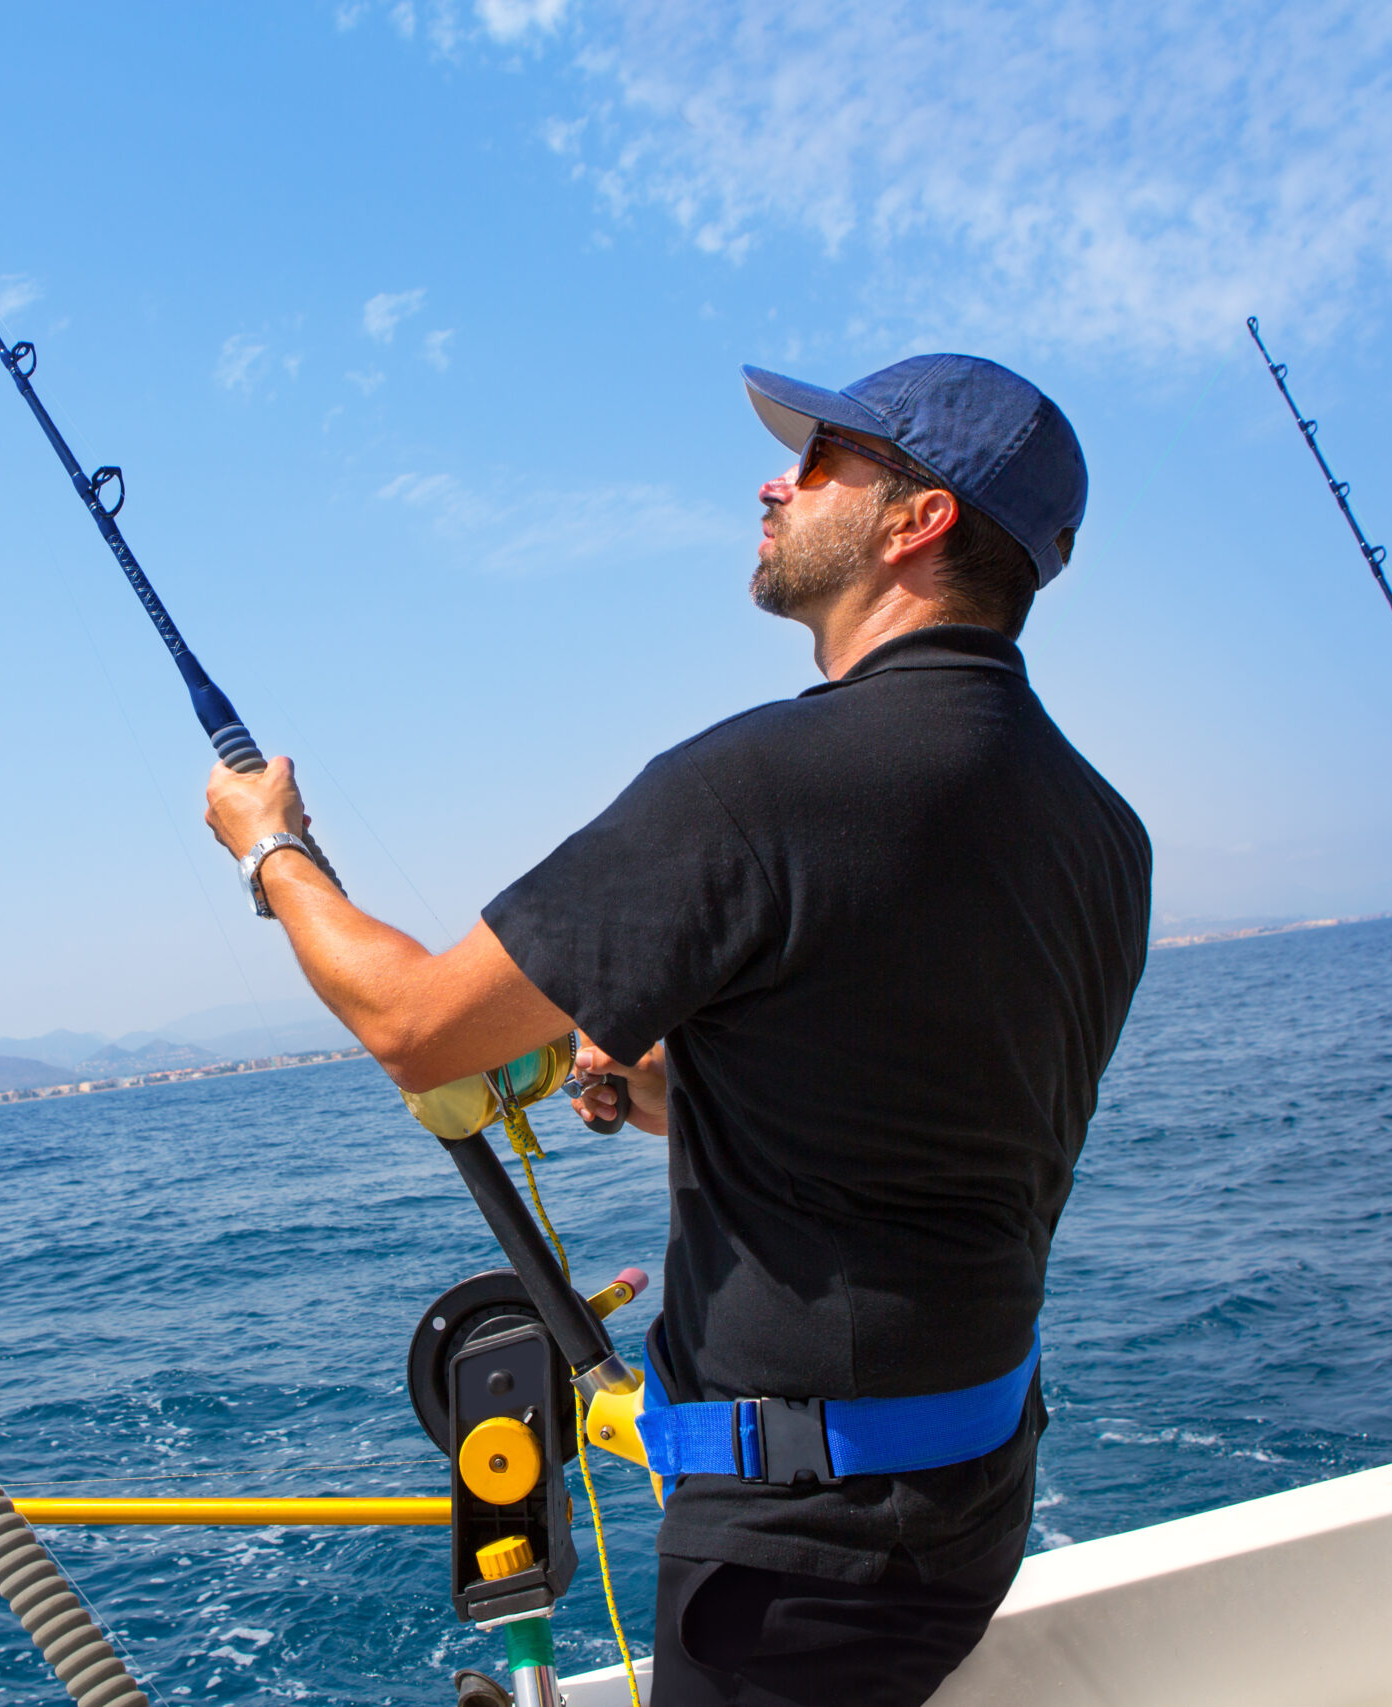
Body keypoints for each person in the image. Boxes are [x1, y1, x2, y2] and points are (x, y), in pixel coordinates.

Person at [205, 354, 1152, 1707]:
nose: (777, 479)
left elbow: (417, 1028)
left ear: (917, 520)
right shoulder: (1102, 832)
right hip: (979, 1486)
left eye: (822, 462)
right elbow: (928, 1102)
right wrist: (667, 1087)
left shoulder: (759, 785)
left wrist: (271, 851)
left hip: (801, 1562)